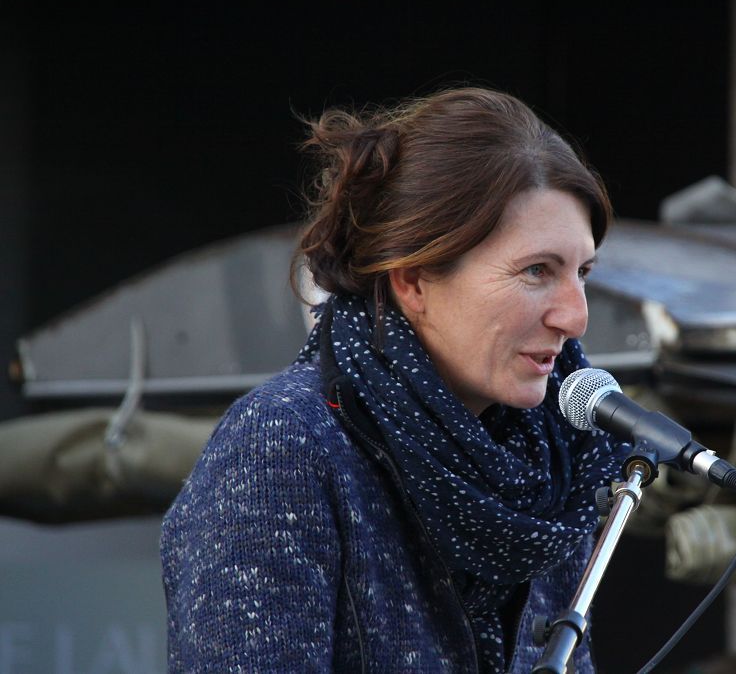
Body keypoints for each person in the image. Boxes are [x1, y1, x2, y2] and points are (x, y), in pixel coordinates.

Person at [160, 86, 626, 673]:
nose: (575, 317)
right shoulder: (285, 444)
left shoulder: (554, 464)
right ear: (413, 280)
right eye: (537, 271)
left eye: (582, 272)